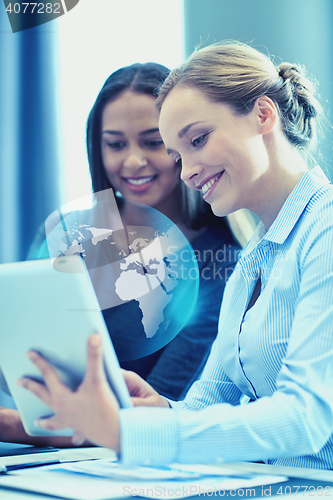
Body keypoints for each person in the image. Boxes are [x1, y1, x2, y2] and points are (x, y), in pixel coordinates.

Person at [20, 40, 333, 469]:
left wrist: (127, 431)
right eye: (177, 155)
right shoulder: (254, 257)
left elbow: (305, 420)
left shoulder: (326, 229)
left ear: (264, 114)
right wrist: (159, 409)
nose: (186, 172)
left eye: (198, 140)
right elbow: (210, 399)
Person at [0, 61, 244, 444]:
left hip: (131, 454)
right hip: (46, 447)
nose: (132, 161)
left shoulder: (220, 262)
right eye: (115, 144)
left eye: (151, 142)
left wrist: (13, 425)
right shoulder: (70, 232)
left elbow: (163, 408)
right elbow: (14, 363)